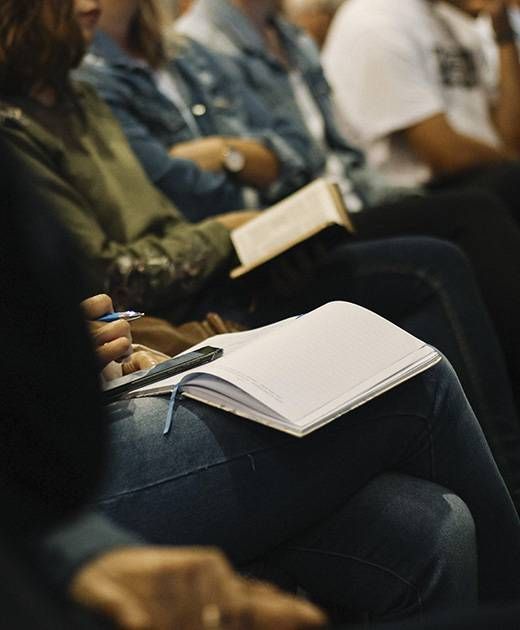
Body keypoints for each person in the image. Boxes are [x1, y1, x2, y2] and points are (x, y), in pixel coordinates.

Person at [4, 0, 520, 515]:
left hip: (200, 286)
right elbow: (124, 268)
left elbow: (291, 154)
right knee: (427, 310)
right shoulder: (25, 126)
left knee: (429, 522)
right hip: (181, 307)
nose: (88, 5)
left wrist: (231, 168)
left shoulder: (85, 95)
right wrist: (226, 227)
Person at [322, 0, 520, 212]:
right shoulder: (375, 21)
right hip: (408, 195)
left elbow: (511, 139)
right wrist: (512, 162)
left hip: (481, 176)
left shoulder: (456, 21)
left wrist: (503, 34)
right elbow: (446, 156)